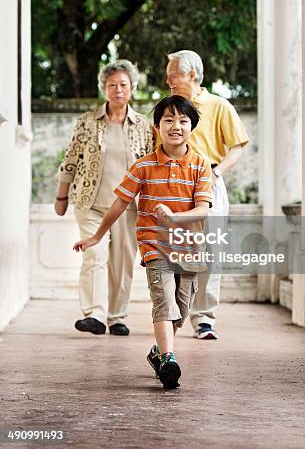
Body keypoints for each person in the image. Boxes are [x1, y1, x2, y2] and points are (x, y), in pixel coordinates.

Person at [73, 96, 212, 390]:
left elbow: (202, 209)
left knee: (181, 311)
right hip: (155, 247)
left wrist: (174, 218)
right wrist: (97, 236)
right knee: (164, 303)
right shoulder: (144, 166)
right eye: (168, 120)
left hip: (189, 248)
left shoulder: (200, 165)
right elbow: (119, 204)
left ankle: (157, 352)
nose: (176, 126)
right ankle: (169, 359)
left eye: (183, 121)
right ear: (157, 127)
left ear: (192, 127)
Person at [55, 59, 153, 336]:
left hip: (128, 206)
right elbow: (70, 159)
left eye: (123, 85)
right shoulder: (87, 122)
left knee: (122, 262)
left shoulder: (145, 126)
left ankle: (117, 316)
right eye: (112, 85)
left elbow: (151, 165)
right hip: (91, 203)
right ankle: (95, 314)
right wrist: (61, 197)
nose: (118, 90)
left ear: (132, 88)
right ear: (104, 89)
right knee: (94, 255)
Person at [165, 50, 249, 339]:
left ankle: (204, 319)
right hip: (174, 183)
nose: (168, 79)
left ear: (191, 74)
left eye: (172, 73)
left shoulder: (219, 106)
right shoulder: (169, 108)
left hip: (209, 181)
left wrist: (216, 172)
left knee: (210, 251)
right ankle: (174, 314)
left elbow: (237, 146)